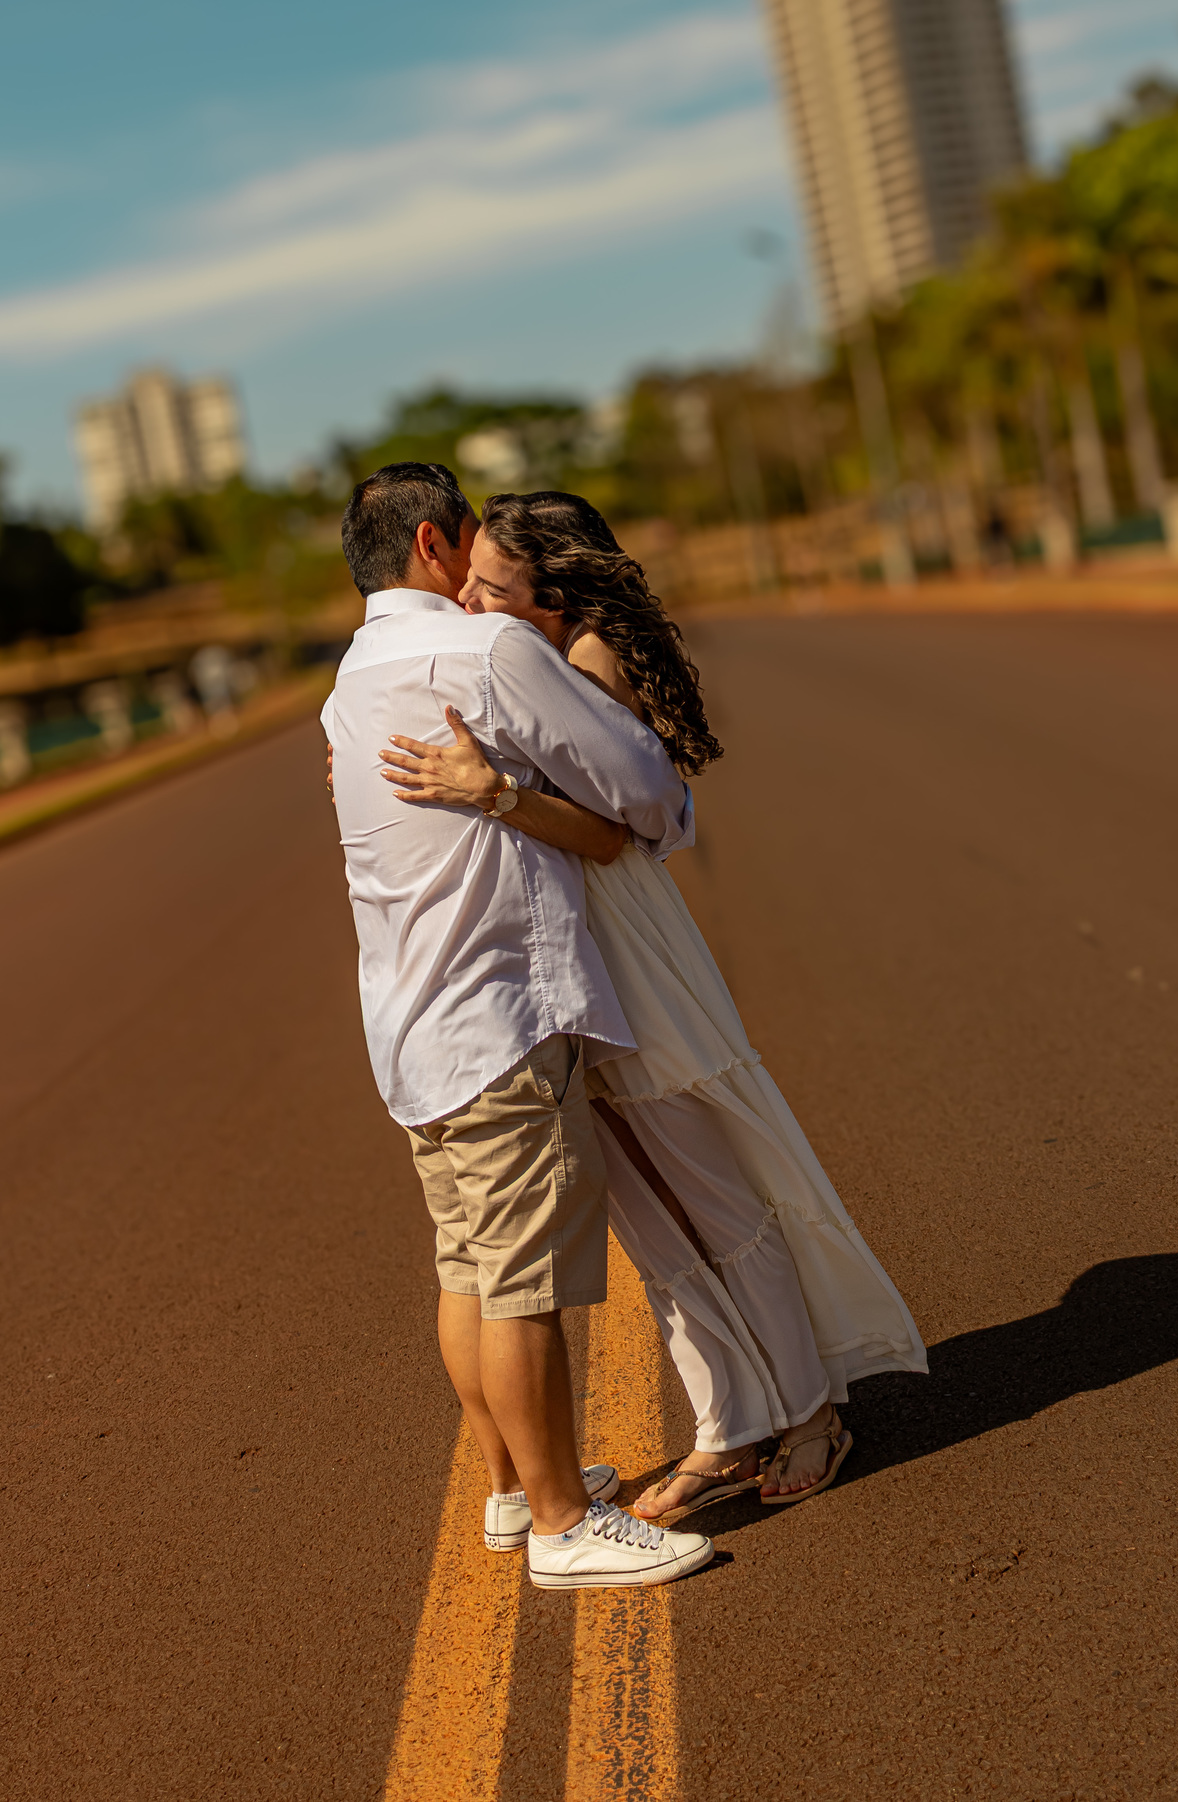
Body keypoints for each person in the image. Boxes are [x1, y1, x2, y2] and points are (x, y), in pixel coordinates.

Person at [376, 489, 928, 1525]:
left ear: (559, 595)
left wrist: (488, 788)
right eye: (469, 585)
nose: (472, 604)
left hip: (623, 943)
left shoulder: (588, 665)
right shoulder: (514, 653)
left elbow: (613, 830)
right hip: (558, 958)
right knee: (648, 1213)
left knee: (709, 1186)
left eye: (495, 590)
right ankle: (731, 1419)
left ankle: (807, 1405)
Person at [321, 463, 715, 1588]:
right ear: (438, 546)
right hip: (495, 1009)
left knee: (469, 1266)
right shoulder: (483, 654)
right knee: (525, 1280)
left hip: (407, 1020)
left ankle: (509, 1490)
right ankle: (560, 1525)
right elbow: (636, 777)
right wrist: (653, 808)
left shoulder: (348, 682)